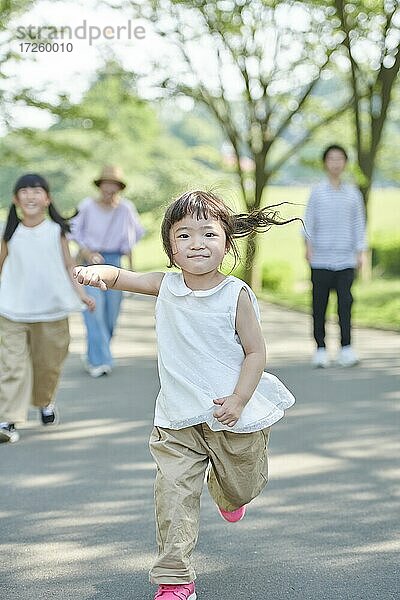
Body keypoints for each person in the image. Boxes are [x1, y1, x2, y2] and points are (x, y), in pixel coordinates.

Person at [74, 190, 296, 600]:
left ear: (226, 243)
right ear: (171, 249)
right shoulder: (167, 285)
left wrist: (239, 399)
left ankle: (228, 493)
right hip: (177, 420)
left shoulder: (236, 295)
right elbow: (123, 277)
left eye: (209, 233)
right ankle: (175, 579)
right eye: (185, 235)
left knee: (242, 485)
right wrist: (97, 273)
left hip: (233, 418)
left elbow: (256, 352)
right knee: (173, 494)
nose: (197, 242)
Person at [0, 173, 95, 444]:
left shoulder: (57, 231)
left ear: (47, 198)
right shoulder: (10, 232)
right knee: (12, 365)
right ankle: (7, 420)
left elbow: (68, 266)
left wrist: (82, 294)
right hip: (12, 310)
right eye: (24, 191)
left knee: (48, 365)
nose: (30, 195)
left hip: (52, 310)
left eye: (37, 190)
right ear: (16, 199)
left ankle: (45, 401)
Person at [69, 165, 144, 377]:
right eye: (106, 183)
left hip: (114, 263)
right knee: (94, 311)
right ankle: (99, 361)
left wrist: (132, 271)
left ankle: (96, 353)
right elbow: (74, 231)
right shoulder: (87, 206)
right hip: (91, 261)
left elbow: (130, 241)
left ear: (119, 187)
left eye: (114, 184)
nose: (109, 188)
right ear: (100, 185)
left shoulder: (126, 209)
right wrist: (87, 251)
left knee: (111, 315)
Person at [304, 145, 367, 368]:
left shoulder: (353, 194)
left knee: (345, 305)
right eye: (331, 159)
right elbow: (308, 221)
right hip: (320, 258)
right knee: (319, 305)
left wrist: (361, 252)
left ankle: (346, 348)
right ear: (325, 163)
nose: (335, 163)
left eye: (340, 159)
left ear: (345, 163)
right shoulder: (317, 192)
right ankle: (320, 349)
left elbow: (359, 225)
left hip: (346, 258)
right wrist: (308, 247)